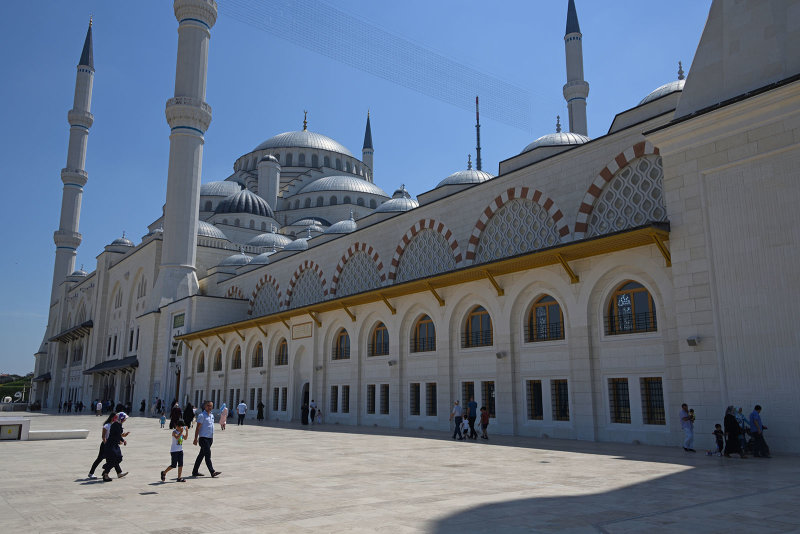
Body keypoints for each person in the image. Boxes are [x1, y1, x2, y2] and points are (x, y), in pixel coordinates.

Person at [192, 400, 221, 478]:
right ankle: (212, 472)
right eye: (208, 405)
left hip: (210, 439)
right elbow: (198, 428)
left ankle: (195, 471)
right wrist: (195, 439)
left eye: (211, 406)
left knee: (201, 455)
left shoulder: (212, 415)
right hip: (203, 438)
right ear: (205, 406)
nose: (209, 407)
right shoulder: (202, 415)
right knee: (208, 455)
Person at [88, 413, 118, 479]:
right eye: (115, 418)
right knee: (99, 459)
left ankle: (109, 473)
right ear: (112, 417)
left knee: (112, 459)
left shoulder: (114, 426)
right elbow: (103, 436)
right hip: (105, 445)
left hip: (111, 444)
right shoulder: (106, 426)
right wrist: (106, 444)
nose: (116, 419)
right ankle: (91, 473)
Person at [101, 412, 130, 482]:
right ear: (121, 418)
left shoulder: (118, 424)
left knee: (118, 458)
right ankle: (106, 473)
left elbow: (118, 435)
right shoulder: (116, 425)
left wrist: (123, 440)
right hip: (111, 444)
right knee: (115, 459)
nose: (125, 420)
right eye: (124, 418)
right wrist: (123, 439)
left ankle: (107, 468)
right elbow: (117, 435)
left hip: (114, 444)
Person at [161, 418, 188, 482]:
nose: (181, 428)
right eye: (180, 426)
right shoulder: (174, 432)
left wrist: (186, 431)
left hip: (180, 450)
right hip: (174, 451)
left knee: (181, 464)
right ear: (177, 426)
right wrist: (181, 432)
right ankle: (164, 472)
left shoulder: (180, 432)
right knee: (173, 465)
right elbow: (177, 437)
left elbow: (185, 438)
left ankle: (179, 478)